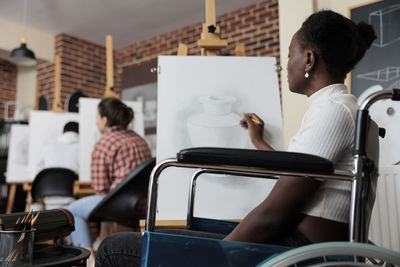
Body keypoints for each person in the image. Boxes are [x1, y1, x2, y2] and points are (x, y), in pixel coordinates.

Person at [95, 10, 376, 267]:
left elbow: (272, 217)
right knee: (171, 233)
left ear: (309, 59)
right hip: (295, 240)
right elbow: (299, 176)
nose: (287, 63)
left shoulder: (333, 112)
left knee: (112, 249)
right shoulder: (337, 108)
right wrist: (259, 143)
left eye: (291, 54)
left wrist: (217, 254)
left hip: (299, 249)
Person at [67, 98, 152, 265]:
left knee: (72, 212)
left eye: (97, 117)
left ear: (105, 120)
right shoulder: (139, 139)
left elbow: (100, 188)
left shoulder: (105, 142)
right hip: (143, 204)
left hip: (118, 204)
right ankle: (102, 245)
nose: (96, 122)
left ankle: (89, 259)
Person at [34, 121, 79, 210]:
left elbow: (37, 172)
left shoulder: (47, 146)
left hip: (47, 199)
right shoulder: (82, 147)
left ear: (64, 132)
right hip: (75, 199)